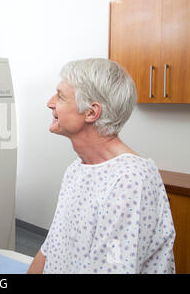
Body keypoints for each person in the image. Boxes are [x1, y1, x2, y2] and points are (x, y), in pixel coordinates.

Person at [27, 58, 175, 274]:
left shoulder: (129, 182)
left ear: (91, 112)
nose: (50, 103)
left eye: (60, 96)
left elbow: (114, 267)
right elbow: (52, 245)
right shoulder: (76, 170)